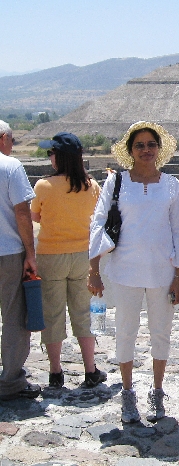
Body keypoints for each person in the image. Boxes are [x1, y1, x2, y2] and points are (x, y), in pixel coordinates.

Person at [89, 122, 179, 423]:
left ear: (159, 149)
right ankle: (128, 393)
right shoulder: (116, 182)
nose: (146, 150)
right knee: (125, 333)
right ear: (130, 151)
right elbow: (98, 222)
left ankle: (157, 392)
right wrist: (93, 269)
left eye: (151, 144)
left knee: (161, 333)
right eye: (139, 145)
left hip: (162, 273)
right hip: (125, 271)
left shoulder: (171, 185)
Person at [31, 132, 107, 389]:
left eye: (50, 153)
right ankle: (90, 369)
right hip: (82, 257)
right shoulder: (91, 186)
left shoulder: (43, 186)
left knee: (52, 314)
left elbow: (36, 216)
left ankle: (55, 371)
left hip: (50, 255)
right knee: (82, 314)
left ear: (58, 157)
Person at [0, 121, 41, 401]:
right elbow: (22, 213)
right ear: (4, 139)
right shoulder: (11, 167)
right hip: (8, 252)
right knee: (13, 316)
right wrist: (31, 254)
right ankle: (11, 381)